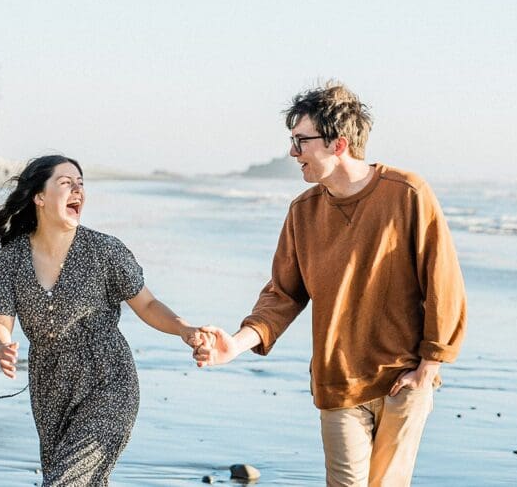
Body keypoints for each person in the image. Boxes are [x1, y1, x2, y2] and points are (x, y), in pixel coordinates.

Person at [193, 81, 467, 487]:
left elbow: (442, 280)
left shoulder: (407, 194)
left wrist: (430, 365)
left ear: (338, 144)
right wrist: (235, 344)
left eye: (301, 141)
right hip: (337, 382)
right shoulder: (303, 212)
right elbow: (282, 295)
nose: (292, 152)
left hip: (403, 379)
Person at [0, 154, 207, 486]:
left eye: (81, 184)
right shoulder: (13, 259)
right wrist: (2, 346)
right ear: (39, 197)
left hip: (110, 381)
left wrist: (185, 329)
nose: (78, 191)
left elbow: (148, 304)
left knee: (64, 482)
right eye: (66, 183)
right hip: (49, 389)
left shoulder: (105, 251)